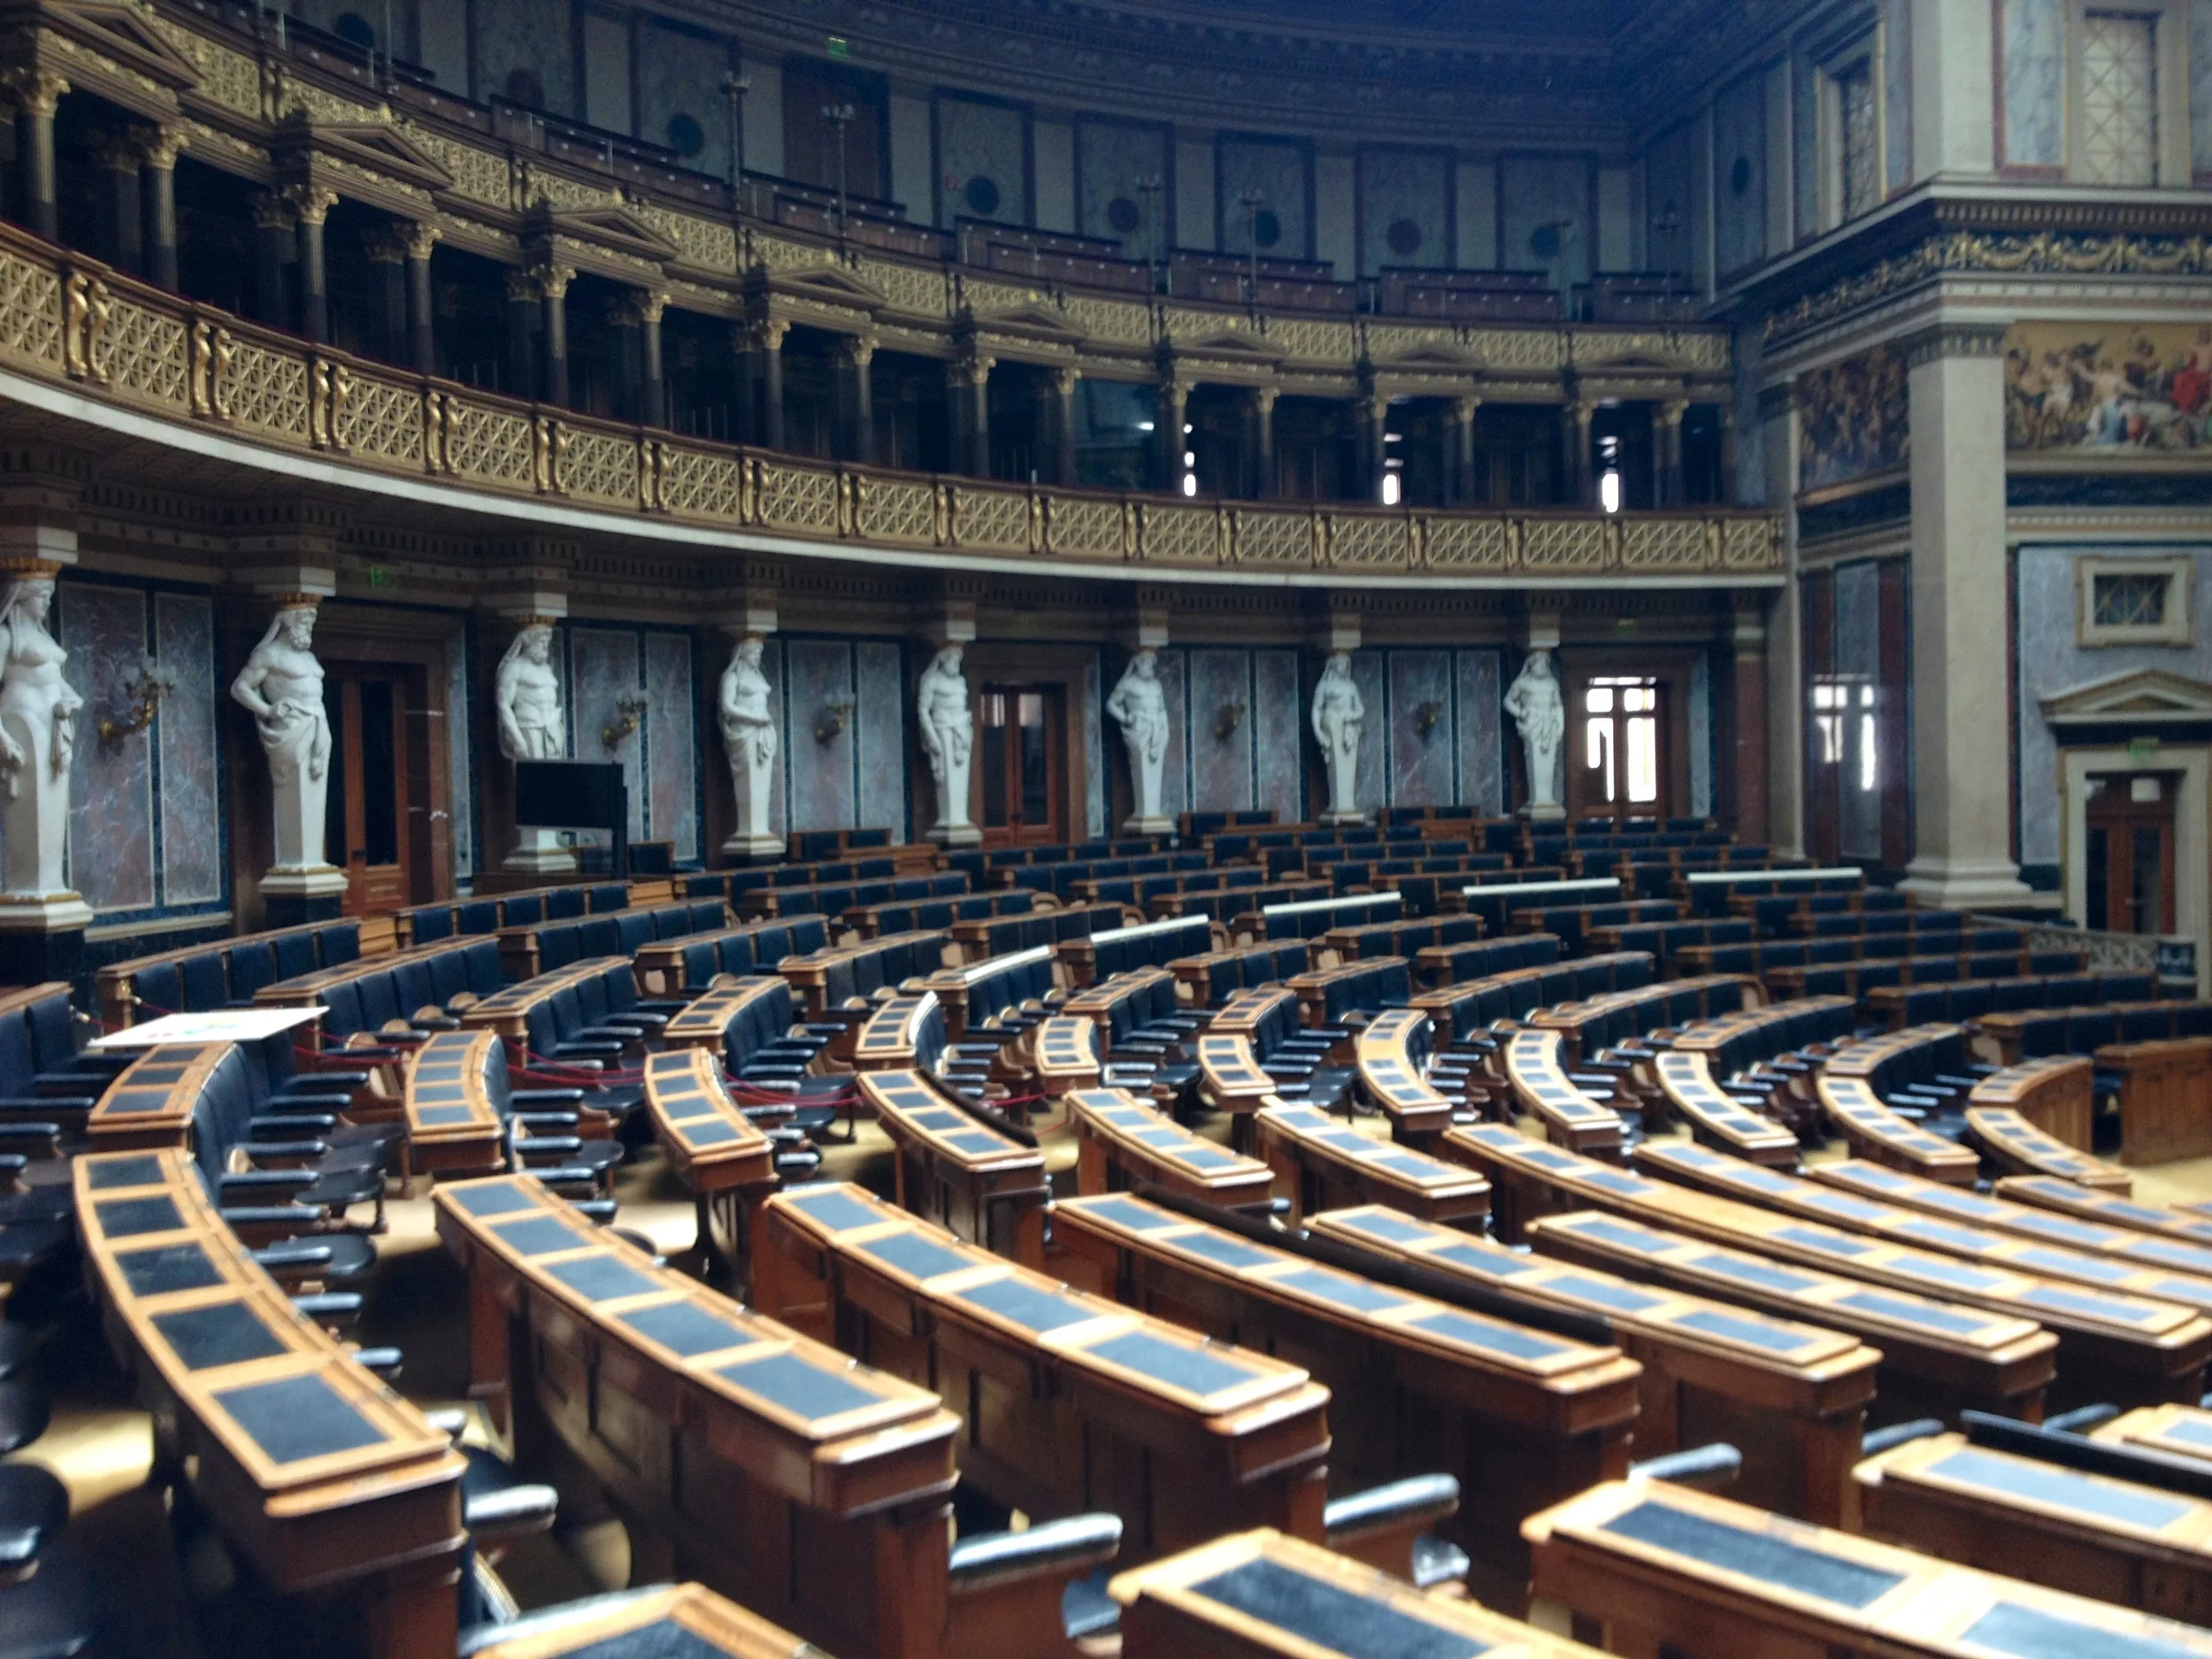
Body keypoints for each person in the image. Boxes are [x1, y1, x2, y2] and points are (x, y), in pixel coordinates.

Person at [231, 604, 331, 869]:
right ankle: (296, 863)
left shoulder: (309, 659)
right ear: (288, 623)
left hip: (318, 724)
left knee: (315, 793)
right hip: (292, 728)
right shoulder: (269, 654)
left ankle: (314, 862)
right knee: (295, 794)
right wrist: (267, 709)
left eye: (311, 624)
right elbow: (240, 687)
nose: (308, 629)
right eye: (303, 623)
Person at [0, 573, 79, 895]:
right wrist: (3, 738)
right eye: (41, 595)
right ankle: (28, 886)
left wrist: (72, 700)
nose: (47, 601)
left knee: (53, 808)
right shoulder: (7, 636)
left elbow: (60, 682)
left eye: (49, 595)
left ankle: (50, 882)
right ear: (21, 596)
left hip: (54, 728)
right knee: (30, 810)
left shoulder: (43, 637)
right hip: (23, 725)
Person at [719, 635, 779, 848]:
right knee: (748, 780)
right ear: (742, 654)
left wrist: (763, 720)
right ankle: (748, 830)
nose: (756, 658)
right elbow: (727, 707)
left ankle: (761, 829)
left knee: (763, 782)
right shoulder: (732, 677)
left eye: (759, 654)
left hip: (763, 732)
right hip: (744, 733)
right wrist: (755, 718)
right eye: (753, 653)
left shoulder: (759, 678)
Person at [1105, 649, 1169, 827]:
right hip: (1139, 729)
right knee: (1141, 769)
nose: (1150, 667)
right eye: (1147, 663)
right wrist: (1125, 718)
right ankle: (1145, 812)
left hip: (1157, 729)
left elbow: (1162, 709)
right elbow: (1111, 704)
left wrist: (1166, 731)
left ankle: (1154, 812)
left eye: (1151, 664)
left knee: (1156, 771)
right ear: (1138, 664)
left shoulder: (1156, 685)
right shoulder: (1128, 684)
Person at [1503, 649, 1566, 814]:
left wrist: (1560, 724)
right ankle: (1537, 799)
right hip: (1533, 724)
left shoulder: (1552, 683)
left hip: (1549, 724)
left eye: (1545, 663)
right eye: (1539, 663)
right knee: (1535, 760)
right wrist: (1520, 712)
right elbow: (1508, 701)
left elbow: (1558, 705)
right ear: (1531, 665)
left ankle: (1547, 799)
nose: (1543, 666)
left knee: (1549, 761)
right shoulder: (1522, 683)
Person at [495, 623, 565, 761]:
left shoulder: (547, 669)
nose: (545, 647)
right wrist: (517, 738)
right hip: (529, 727)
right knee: (535, 775)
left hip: (552, 727)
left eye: (547, 642)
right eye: (541, 642)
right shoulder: (514, 668)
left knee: (555, 775)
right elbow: (503, 704)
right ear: (529, 643)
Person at [1310, 651, 1364, 820]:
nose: (1344, 667)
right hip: (1332, 725)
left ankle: (1348, 806)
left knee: (1349, 767)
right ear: (1333, 665)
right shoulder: (1324, 686)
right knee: (1336, 766)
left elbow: (1361, 709)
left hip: (1349, 727)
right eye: (1340, 664)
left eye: (1345, 664)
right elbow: (1316, 709)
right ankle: (1337, 805)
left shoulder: (1351, 686)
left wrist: (1352, 716)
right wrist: (1319, 733)